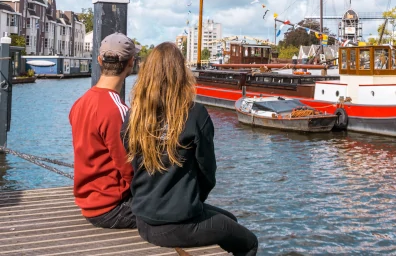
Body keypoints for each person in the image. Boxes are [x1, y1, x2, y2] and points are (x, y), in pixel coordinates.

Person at [122, 42, 258, 255]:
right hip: (176, 222)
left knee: (230, 221)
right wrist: (191, 200)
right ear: (181, 74)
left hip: (143, 219)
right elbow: (207, 174)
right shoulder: (195, 114)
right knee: (249, 242)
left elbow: (132, 163)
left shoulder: (134, 116)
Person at [69, 32, 137, 229]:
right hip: (113, 208)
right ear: (131, 63)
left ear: (99, 60)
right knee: (179, 210)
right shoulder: (118, 110)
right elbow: (129, 169)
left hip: (90, 204)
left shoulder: (79, 103)